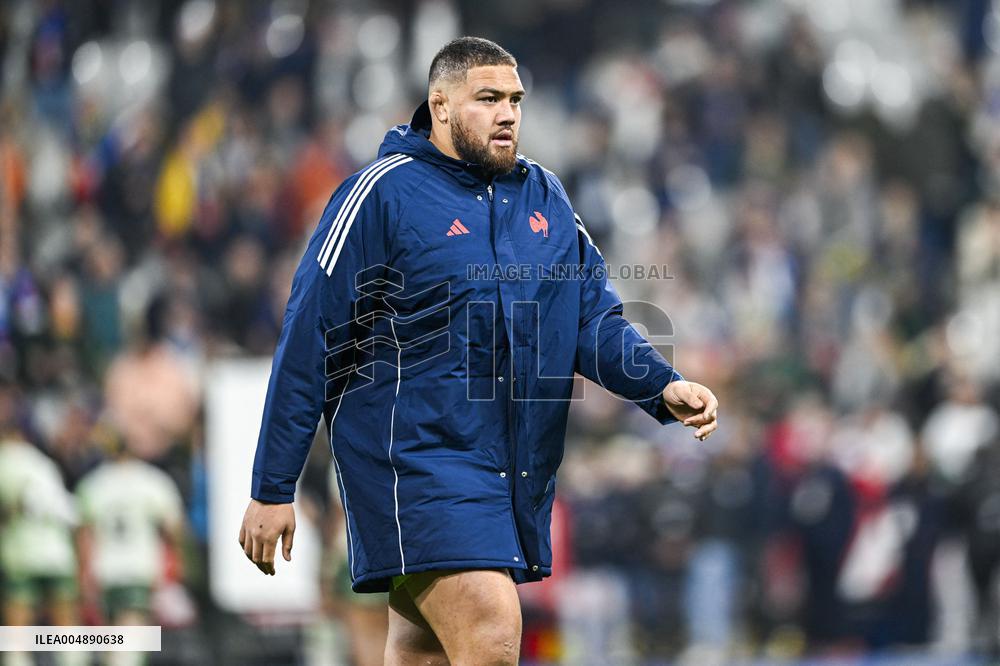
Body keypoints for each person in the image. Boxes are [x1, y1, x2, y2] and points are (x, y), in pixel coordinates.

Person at [239, 36, 719, 664]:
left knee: (425, 653)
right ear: (439, 106)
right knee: (491, 631)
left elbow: (588, 319)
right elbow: (310, 340)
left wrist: (659, 384)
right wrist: (273, 487)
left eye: (515, 99)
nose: (508, 114)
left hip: (507, 468)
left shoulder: (545, 197)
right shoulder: (381, 195)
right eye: (487, 99)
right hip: (414, 463)